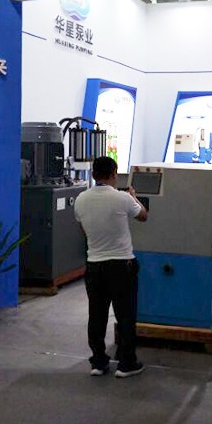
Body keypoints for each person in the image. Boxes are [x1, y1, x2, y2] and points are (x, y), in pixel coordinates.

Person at [74, 156, 148, 379]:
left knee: (96, 315)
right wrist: (134, 197)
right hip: (121, 265)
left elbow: (84, 230)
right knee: (125, 316)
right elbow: (143, 216)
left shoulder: (81, 199)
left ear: (93, 174)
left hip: (94, 266)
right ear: (114, 174)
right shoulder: (123, 198)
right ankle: (126, 364)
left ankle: (98, 362)